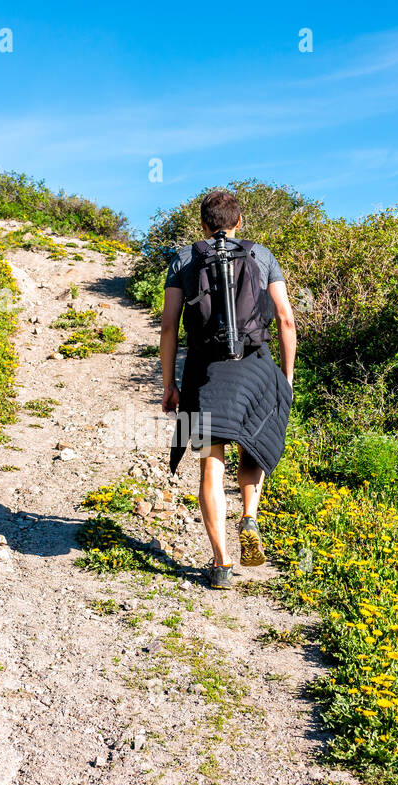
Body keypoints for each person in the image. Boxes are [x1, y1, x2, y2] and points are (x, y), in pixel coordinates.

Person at [160, 189, 297, 589]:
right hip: (256, 367)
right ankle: (249, 515)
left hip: (206, 370)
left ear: (203, 224)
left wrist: (170, 384)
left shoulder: (185, 258)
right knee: (252, 444)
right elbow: (286, 320)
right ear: (239, 222)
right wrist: (284, 378)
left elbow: (169, 326)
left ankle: (221, 565)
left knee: (210, 464)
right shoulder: (262, 255)